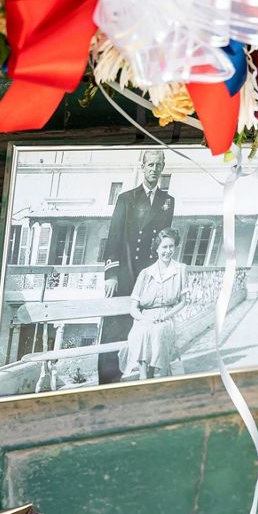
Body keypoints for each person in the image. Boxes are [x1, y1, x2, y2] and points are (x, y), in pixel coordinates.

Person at [97, 151, 175, 385]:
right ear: (142, 167)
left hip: (150, 278)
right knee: (114, 329)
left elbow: (164, 241)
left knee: (150, 329)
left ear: (163, 167)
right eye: (150, 164)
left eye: (158, 165)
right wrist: (111, 274)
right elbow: (114, 237)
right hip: (125, 273)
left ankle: (145, 378)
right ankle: (107, 380)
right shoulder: (126, 198)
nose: (154, 169)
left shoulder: (167, 201)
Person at [119, 229, 187, 380]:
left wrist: (166, 316)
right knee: (142, 331)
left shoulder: (180, 269)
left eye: (171, 246)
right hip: (146, 317)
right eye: (164, 247)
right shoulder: (146, 273)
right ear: (157, 249)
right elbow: (134, 308)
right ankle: (144, 376)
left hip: (167, 317)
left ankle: (158, 374)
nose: (168, 251)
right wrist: (145, 319)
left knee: (158, 331)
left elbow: (183, 302)